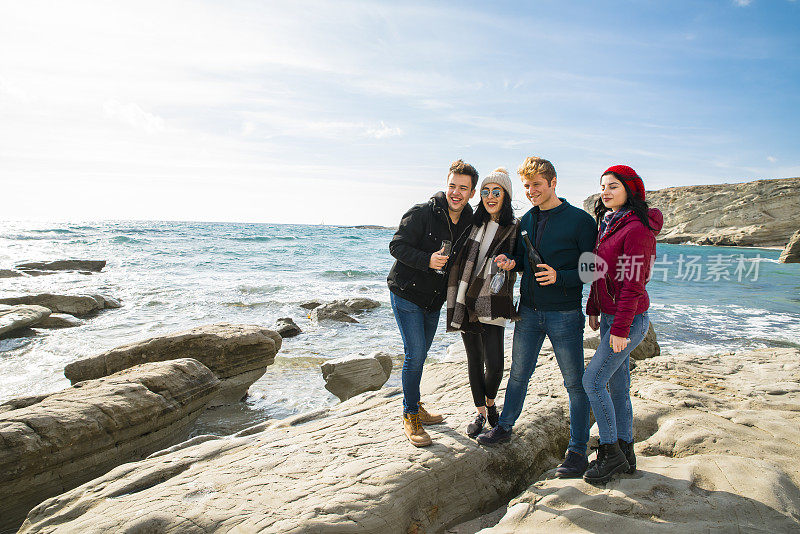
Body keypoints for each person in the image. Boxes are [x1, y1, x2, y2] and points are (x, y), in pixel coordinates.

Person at [477, 157, 598, 480]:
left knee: (574, 383)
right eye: (527, 186)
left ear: (553, 182)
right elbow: (520, 259)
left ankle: (577, 449)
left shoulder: (581, 221)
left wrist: (560, 277)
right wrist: (509, 261)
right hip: (528, 311)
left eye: (537, 185)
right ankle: (504, 427)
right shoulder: (526, 219)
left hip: (565, 314)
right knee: (518, 375)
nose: (531, 192)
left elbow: (592, 269)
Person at [581, 165, 663, 484]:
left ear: (631, 189)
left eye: (613, 186)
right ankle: (627, 452)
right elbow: (598, 270)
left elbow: (633, 285)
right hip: (611, 315)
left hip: (628, 320)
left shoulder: (638, 229)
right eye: (603, 186)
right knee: (617, 385)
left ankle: (610, 450)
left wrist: (619, 329)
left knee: (592, 381)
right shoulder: (608, 223)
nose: (606, 191)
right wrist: (593, 306)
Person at [388, 159, 478, 447]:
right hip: (406, 292)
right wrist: (427, 260)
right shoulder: (422, 213)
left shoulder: (469, 220)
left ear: (472, 192)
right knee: (415, 354)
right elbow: (396, 246)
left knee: (421, 355)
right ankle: (410, 414)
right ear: (446, 184)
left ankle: (415, 404)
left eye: (463, 188)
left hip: (434, 300)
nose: (456, 192)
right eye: (452, 185)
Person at [445, 168, 519, 438]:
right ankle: (481, 412)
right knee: (474, 358)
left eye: (496, 192)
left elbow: (518, 260)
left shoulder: (514, 226)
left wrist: (512, 263)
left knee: (496, 363)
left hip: (494, 297)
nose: (490, 196)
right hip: (466, 297)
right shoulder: (472, 222)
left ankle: (490, 403)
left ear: (506, 195)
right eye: (485, 191)